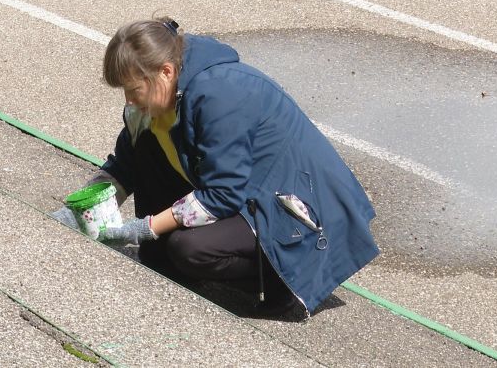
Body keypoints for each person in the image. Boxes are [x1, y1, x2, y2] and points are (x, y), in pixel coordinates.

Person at [54, 17, 379, 317]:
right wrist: (79, 211)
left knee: (188, 250)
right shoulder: (158, 98)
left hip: (293, 207)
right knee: (155, 215)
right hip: (239, 189)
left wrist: (146, 227)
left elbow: (223, 193)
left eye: (134, 90)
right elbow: (125, 165)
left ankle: (280, 280)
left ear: (165, 72)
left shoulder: (218, 94)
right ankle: (171, 253)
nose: (128, 100)